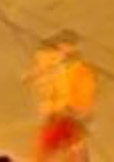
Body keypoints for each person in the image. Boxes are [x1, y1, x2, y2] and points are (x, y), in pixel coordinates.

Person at [31, 34, 98, 162]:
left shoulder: (80, 73)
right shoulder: (60, 74)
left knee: (72, 152)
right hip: (59, 123)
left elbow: (83, 107)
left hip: (67, 123)